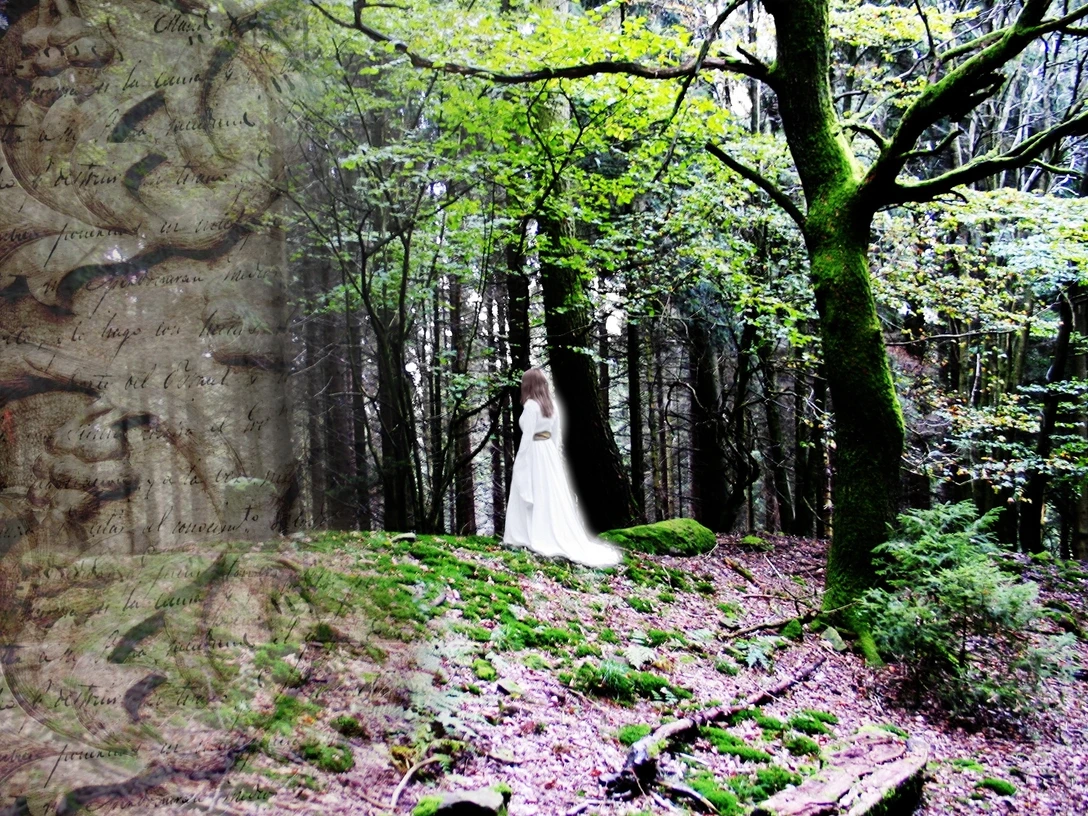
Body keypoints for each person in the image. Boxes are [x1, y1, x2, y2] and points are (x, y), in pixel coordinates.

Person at [502, 368, 620, 567]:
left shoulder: (531, 406)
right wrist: (553, 458)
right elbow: (555, 436)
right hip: (548, 453)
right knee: (548, 494)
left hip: (534, 452)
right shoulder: (553, 406)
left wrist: (520, 461)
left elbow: (527, 437)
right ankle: (544, 532)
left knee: (533, 490)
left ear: (528, 385)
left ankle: (525, 536)